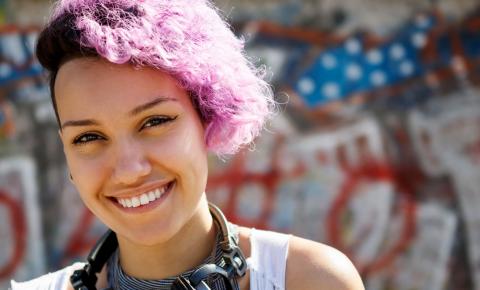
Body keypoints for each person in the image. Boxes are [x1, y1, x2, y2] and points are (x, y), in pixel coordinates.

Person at [11, 0, 364, 289]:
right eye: (88, 137)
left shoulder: (311, 281)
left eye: (154, 122)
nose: (130, 170)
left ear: (208, 116)